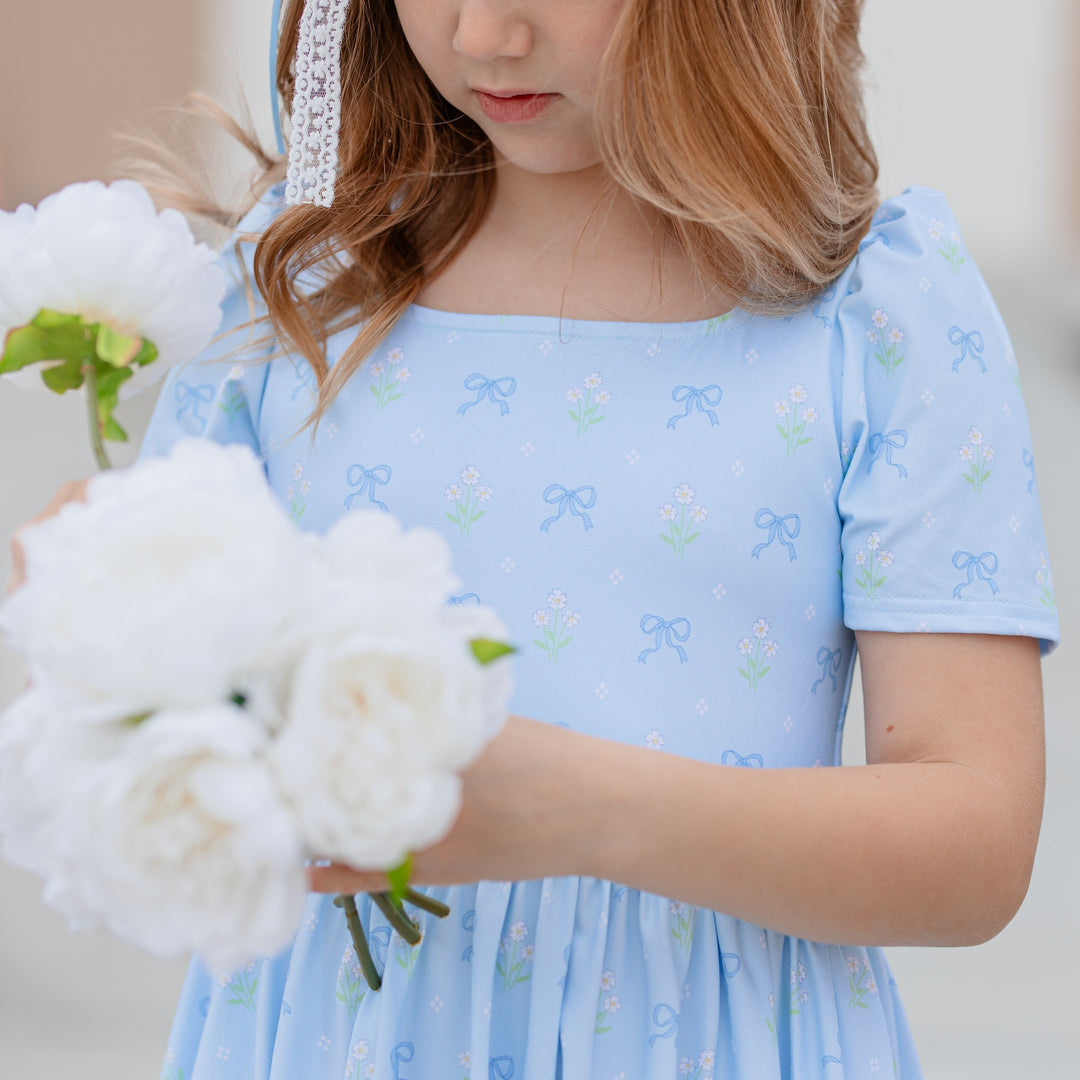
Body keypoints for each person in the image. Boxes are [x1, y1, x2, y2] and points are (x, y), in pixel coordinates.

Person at [10, 1, 1059, 1077]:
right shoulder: (293, 287)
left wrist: (583, 812)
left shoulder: (879, 312)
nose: (484, 38)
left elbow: (972, 846)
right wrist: (100, 619)